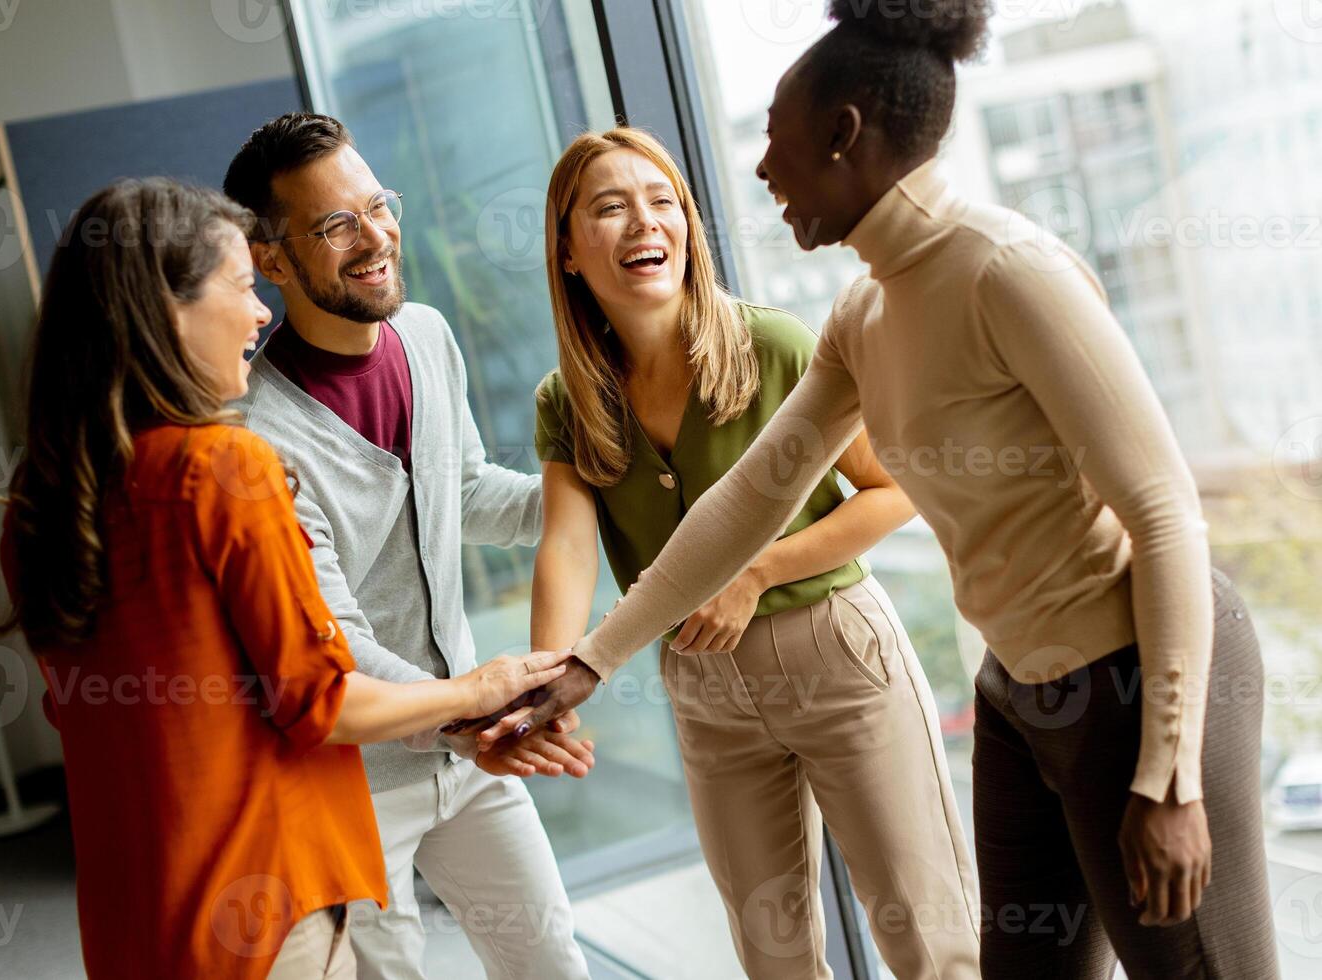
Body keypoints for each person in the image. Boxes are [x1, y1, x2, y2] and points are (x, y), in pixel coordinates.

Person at [477, 2, 1281, 976]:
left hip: (1135, 670)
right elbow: (746, 498)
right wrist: (590, 660)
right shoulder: (864, 311)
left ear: (844, 135)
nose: (763, 170)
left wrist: (1171, 772)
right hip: (1016, 686)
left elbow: (1165, 515)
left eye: (775, 139)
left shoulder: (1006, 269)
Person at [0, 178, 575, 980]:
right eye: (240, 287)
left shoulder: (41, 504)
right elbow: (321, 697)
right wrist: (480, 691)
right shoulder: (223, 465)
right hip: (267, 902)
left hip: (139, 918)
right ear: (168, 310)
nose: (261, 312)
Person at [516, 125, 979, 977]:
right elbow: (569, 548)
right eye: (610, 209)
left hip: (836, 652)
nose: (642, 225)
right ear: (568, 252)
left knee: (928, 938)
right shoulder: (566, 402)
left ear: (688, 227)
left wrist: (758, 570)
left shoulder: (776, 346)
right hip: (702, 686)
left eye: (662, 204)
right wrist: (552, 674)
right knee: (773, 957)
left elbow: (895, 490)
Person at [222, 113, 593, 979]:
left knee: (550, 961)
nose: (374, 236)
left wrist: (590, 491)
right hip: (354, 776)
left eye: (377, 206)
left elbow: (462, 492)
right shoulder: (256, 435)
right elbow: (337, 641)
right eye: (334, 225)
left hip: (470, 750)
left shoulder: (424, 333)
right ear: (272, 261)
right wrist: (474, 708)